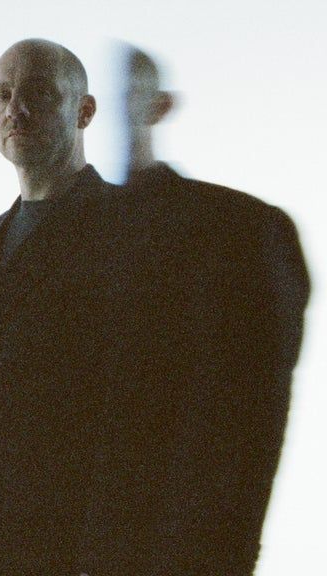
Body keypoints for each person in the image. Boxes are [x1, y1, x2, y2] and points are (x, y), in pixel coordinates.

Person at [0, 38, 310, 575]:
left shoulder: (129, 230)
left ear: (85, 111)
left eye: (39, 93)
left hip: (64, 543)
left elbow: (151, 410)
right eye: (2, 95)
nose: (16, 109)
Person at [106, 45, 310, 574]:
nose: (109, 115)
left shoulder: (242, 231)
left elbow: (256, 416)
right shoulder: (64, 244)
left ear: (160, 106)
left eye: (125, 95)